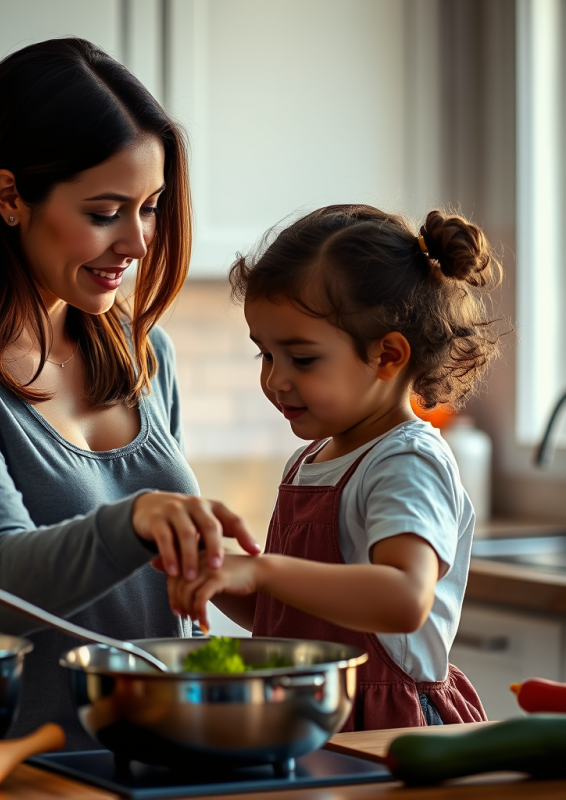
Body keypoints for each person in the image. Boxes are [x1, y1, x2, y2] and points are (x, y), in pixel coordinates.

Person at [0, 38, 260, 747]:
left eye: (151, 207)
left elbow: (158, 588)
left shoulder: (145, 355)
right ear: (10, 197)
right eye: (107, 211)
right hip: (22, 767)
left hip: (157, 755)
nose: (138, 243)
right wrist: (137, 517)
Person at [164, 204, 504, 730]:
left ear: (388, 355)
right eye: (265, 355)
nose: (275, 379)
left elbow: (403, 598)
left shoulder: (405, 460)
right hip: (307, 715)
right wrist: (212, 574)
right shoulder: (310, 461)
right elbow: (280, 616)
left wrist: (258, 567)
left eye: (300, 358)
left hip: (382, 726)